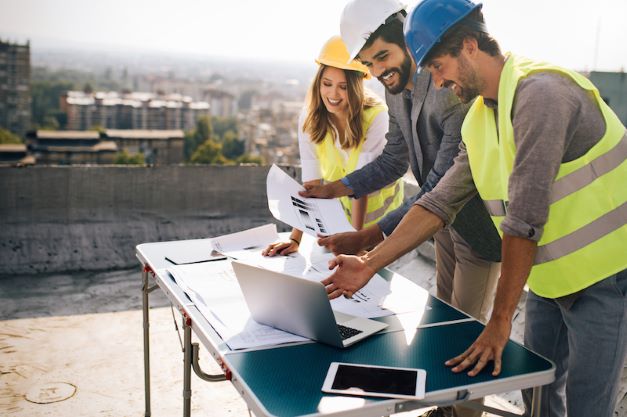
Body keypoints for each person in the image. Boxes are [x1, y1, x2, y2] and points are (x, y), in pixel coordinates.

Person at [322, 1, 627, 417]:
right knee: (538, 397)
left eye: (439, 66)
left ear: (469, 46)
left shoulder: (542, 96)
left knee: (588, 407)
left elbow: (523, 220)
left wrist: (500, 321)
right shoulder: (479, 119)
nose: (436, 80)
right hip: (550, 280)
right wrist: (369, 263)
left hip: (606, 280)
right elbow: (437, 201)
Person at [301, 3, 502, 416]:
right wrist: (336, 187)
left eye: (383, 57)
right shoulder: (398, 93)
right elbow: (395, 158)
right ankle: (445, 409)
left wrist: (371, 236)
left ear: (408, 44)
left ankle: (466, 414)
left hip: (475, 227)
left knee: (467, 333)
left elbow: (438, 187)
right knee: (441, 324)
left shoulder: (447, 90)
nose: (377, 71)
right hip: (441, 228)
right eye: (368, 63)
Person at [263, 35, 403, 257]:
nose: (333, 94)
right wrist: (294, 238)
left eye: (343, 87)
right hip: (340, 228)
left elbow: (361, 185)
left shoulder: (377, 117)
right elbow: (311, 187)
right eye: (326, 84)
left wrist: (356, 245)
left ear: (356, 86)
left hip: (384, 229)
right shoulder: (309, 119)